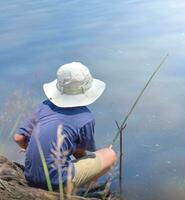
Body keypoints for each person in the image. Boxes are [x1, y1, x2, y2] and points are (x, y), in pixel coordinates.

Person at [14, 62, 117, 192]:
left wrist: (29, 149)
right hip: (56, 181)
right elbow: (79, 153)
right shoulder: (85, 118)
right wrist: (92, 161)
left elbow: (18, 137)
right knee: (109, 154)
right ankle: (82, 190)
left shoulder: (45, 105)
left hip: (30, 176)